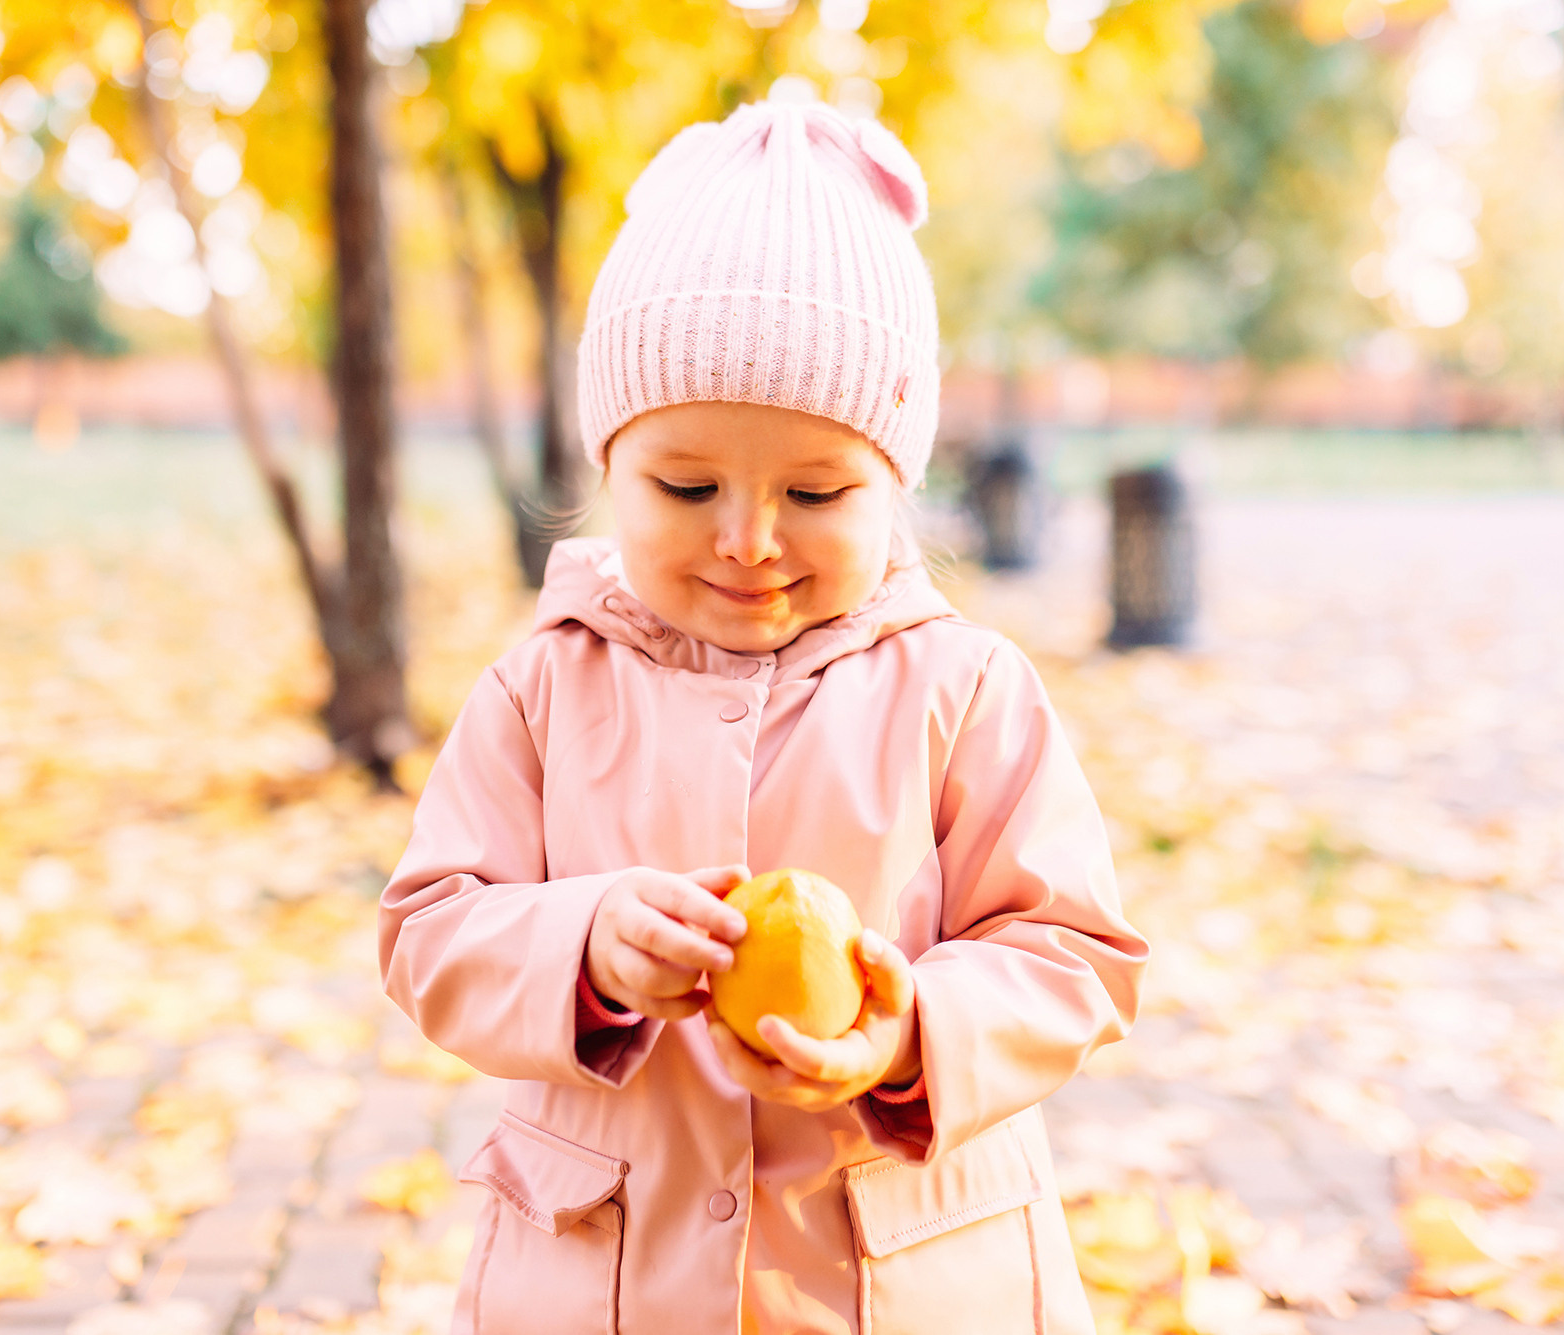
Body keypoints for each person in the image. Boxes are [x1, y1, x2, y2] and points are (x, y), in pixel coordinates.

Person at [379, 96, 1148, 1335]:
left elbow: (1073, 955)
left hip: (899, 1285)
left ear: (892, 487)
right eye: (685, 484)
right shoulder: (540, 688)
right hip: (606, 1285)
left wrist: (910, 1030)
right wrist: (584, 948)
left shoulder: (964, 690)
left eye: (816, 488)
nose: (747, 539)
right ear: (607, 469)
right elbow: (429, 932)